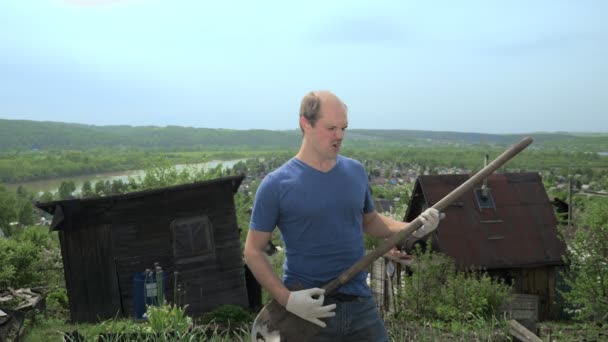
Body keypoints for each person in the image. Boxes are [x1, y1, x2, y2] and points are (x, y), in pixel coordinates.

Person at [244, 90, 441, 341]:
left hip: (359, 302)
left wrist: (413, 227)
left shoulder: (355, 171)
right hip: (309, 309)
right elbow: (252, 251)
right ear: (306, 124)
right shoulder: (276, 185)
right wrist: (288, 300)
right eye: (331, 128)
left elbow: (370, 222)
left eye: (344, 128)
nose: (339, 136)